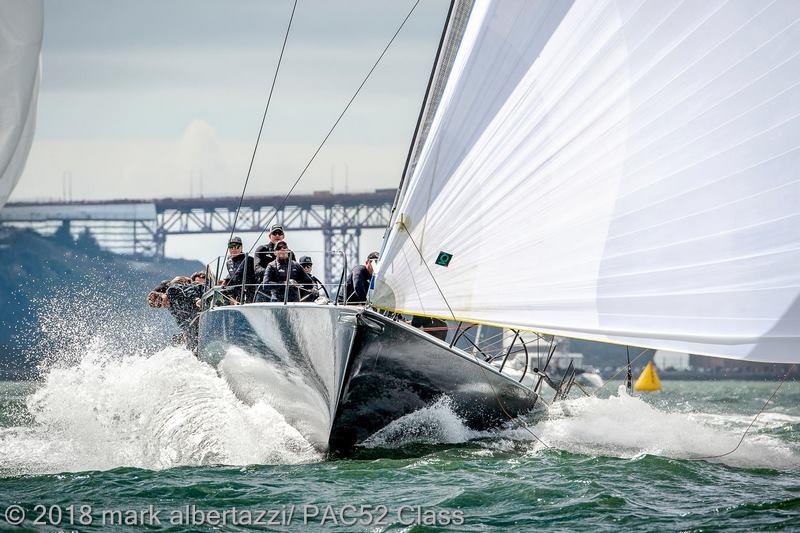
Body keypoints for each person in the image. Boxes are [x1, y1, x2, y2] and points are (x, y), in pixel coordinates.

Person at [221, 236, 256, 302]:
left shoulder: (249, 259)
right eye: (231, 247)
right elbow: (233, 276)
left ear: (241, 247)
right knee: (221, 290)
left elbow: (239, 275)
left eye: (237, 247)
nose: (233, 249)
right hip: (237, 294)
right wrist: (226, 280)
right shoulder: (228, 262)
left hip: (249, 292)